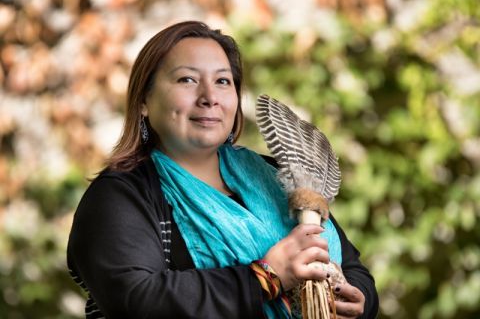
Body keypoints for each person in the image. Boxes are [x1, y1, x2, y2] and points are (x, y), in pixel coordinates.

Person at [67, 20, 378, 319]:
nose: (209, 97)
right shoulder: (120, 196)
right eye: (187, 79)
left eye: (222, 81)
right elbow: (137, 301)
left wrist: (357, 298)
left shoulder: (274, 175)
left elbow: (352, 267)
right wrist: (265, 277)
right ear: (144, 100)